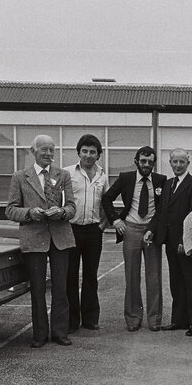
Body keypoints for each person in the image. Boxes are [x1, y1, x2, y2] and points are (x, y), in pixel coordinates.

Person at [5, 135, 76, 348]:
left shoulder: (62, 175)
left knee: (61, 288)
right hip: (34, 238)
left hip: (60, 238)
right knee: (37, 289)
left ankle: (60, 332)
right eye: (44, 149)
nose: (48, 154)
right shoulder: (19, 177)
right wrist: (29, 213)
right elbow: (10, 209)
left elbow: (72, 207)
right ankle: (39, 335)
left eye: (52, 150)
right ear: (33, 151)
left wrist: (62, 212)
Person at [101, 146, 166, 332]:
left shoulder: (161, 180)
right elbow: (107, 198)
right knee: (132, 276)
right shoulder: (126, 178)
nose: (147, 165)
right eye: (143, 161)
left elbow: (162, 209)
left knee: (154, 277)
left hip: (151, 233)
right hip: (130, 230)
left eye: (150, 162)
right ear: (136, 160)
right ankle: (133, 317)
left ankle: (155, 319)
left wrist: (153, 229)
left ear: (154, 163)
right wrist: (115, 220)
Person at [155, 148, 192, 337]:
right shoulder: (168, 184)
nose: (178, 165)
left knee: (191, 282)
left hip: (186, 242)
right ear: (170, 163)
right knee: (176, 281)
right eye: (174, 162)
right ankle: (179, 319)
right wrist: (156, 233)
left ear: (188, 163)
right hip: (170, 242)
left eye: (181, 162)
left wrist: (185, 241)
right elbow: (163, 212)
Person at [63, 134, 108, 332]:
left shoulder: (102, 176)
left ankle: (90, 319)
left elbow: (106, 203)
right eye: (85, 151)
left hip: (93, 231)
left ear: (98, 155)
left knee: (91, 276)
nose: (88, 155)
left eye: (92, 152)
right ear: (79, 152)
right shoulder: (67, 173)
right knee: (70, 275)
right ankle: (72, 321)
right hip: (71, 229)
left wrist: (102, 226)